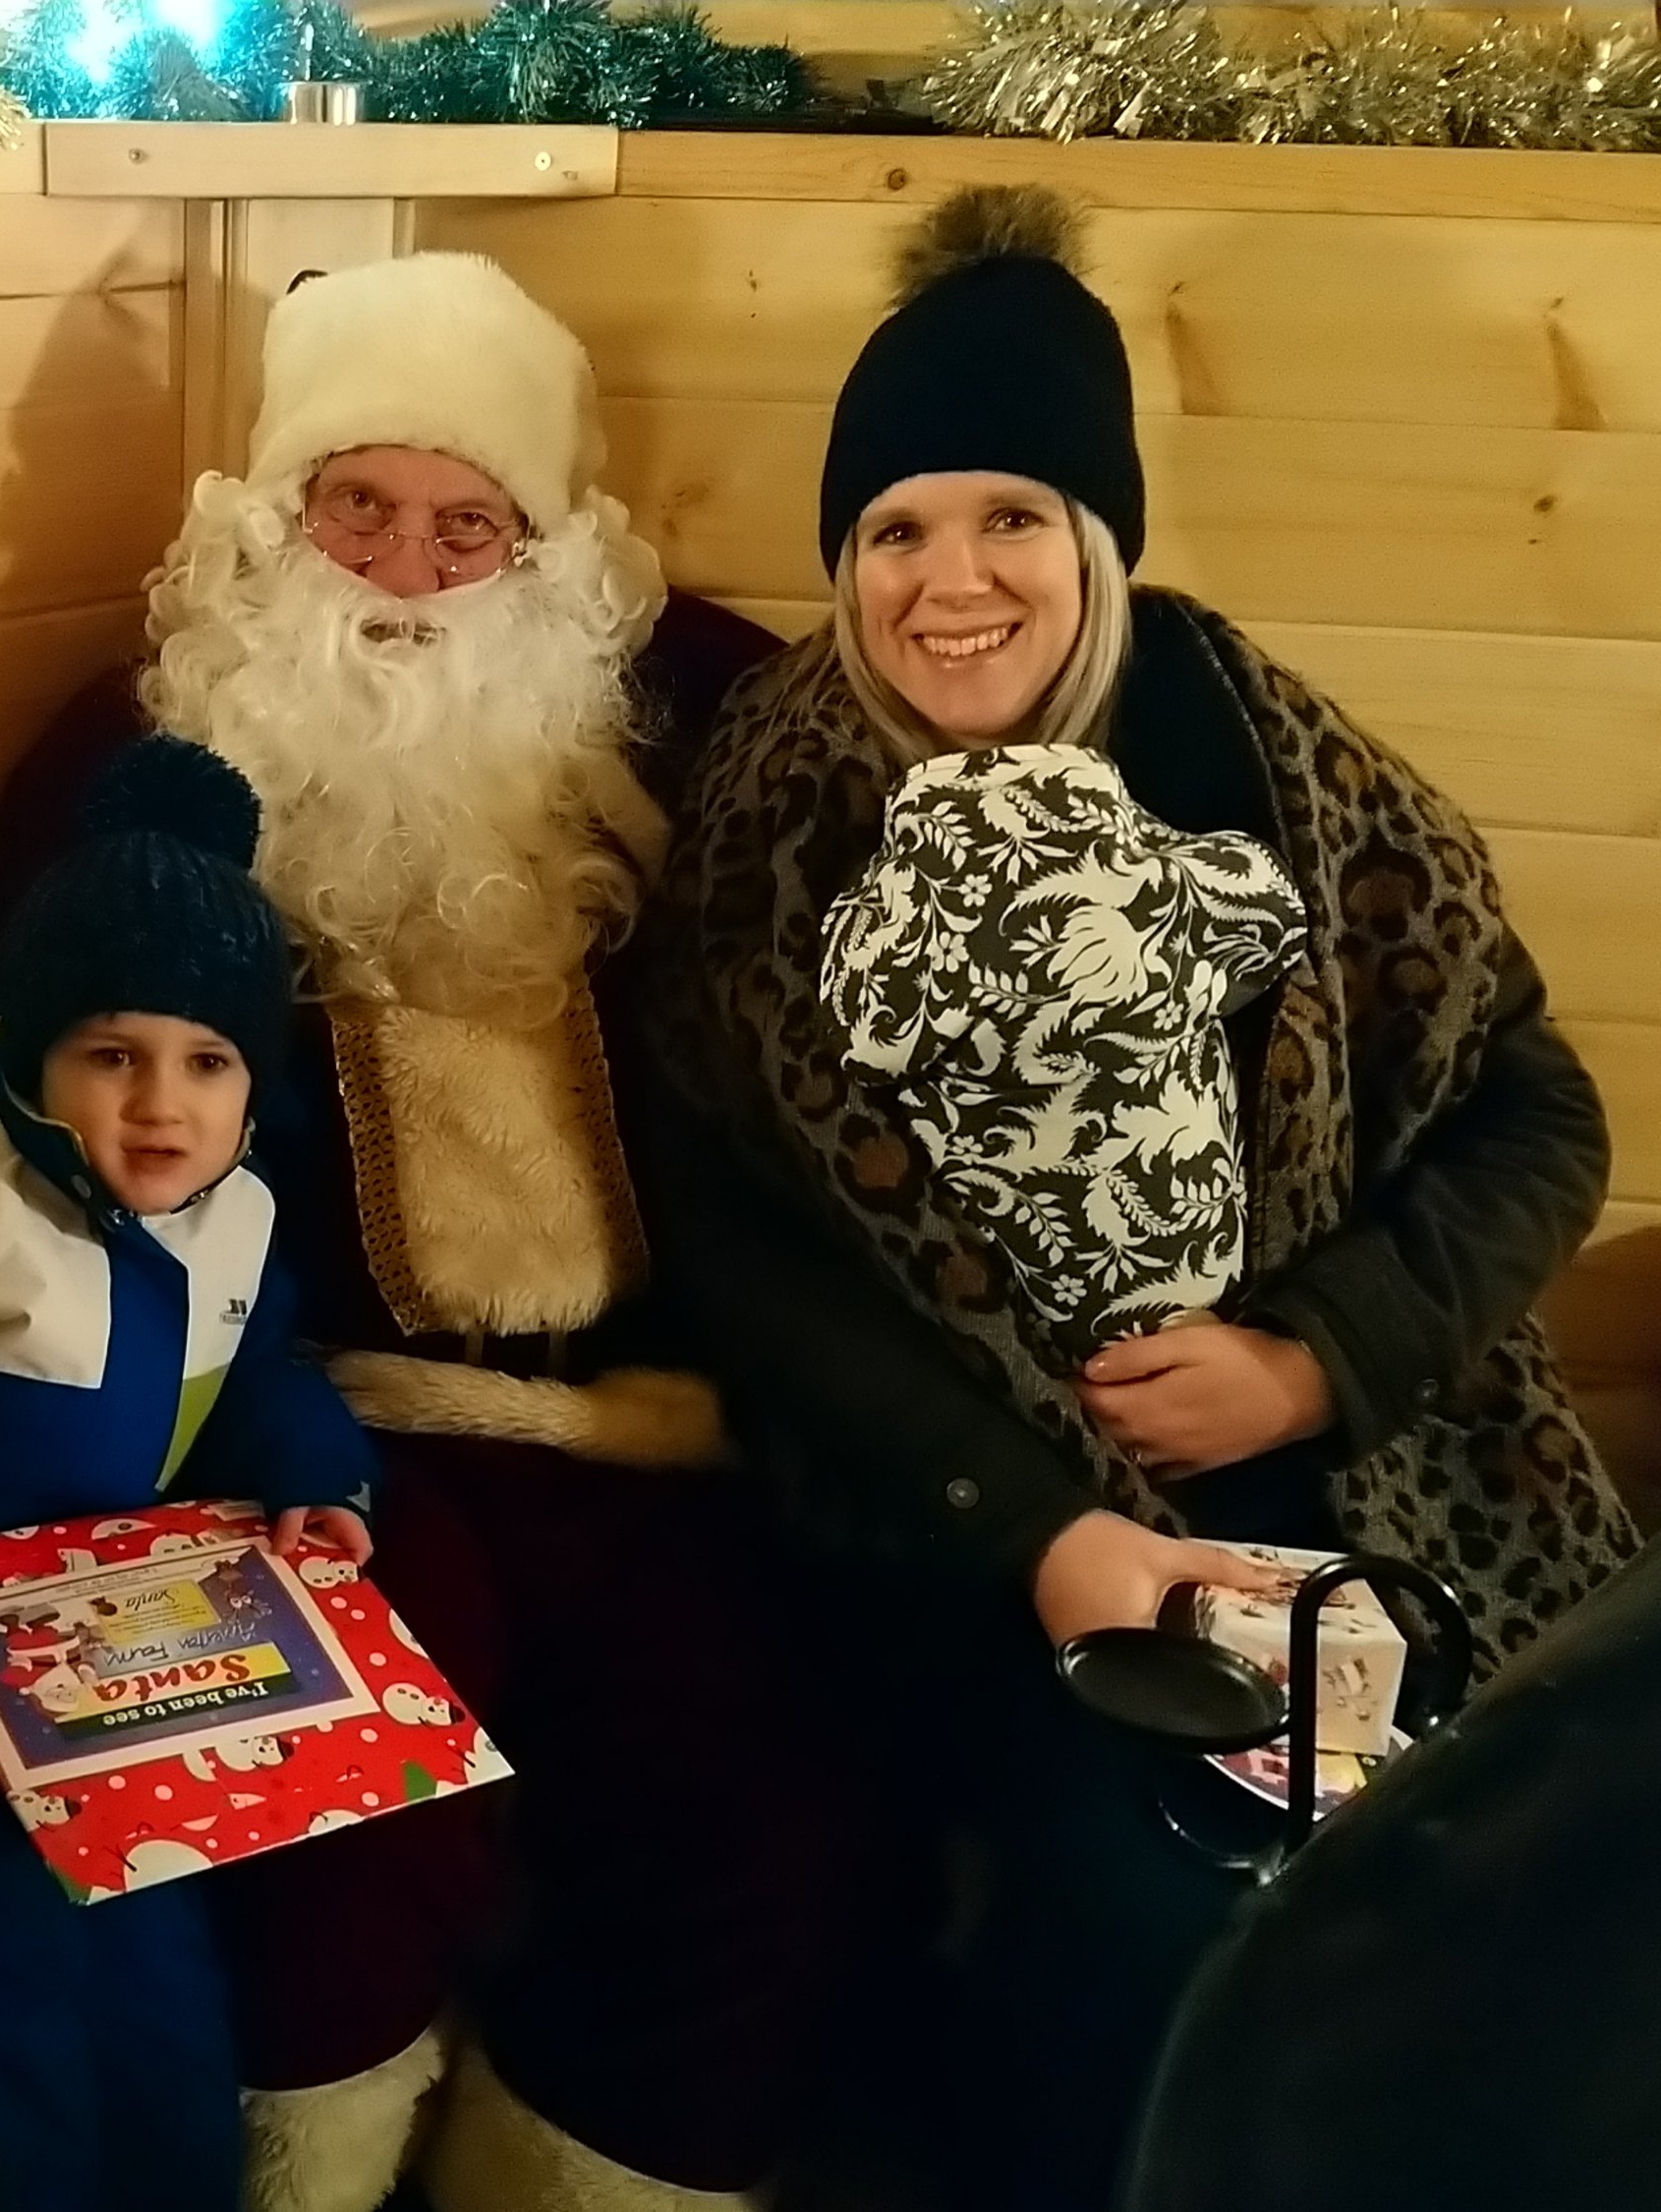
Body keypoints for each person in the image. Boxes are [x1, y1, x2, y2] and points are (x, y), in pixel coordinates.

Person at [632, 183, 1639, 2210]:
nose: (952, 582)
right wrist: (1042, 1531)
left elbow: (1535, 1120)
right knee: (1151, 1915)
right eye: (895, 531)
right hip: (976, 1512)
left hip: (1353, 1461)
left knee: (1561, 1852)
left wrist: (1315, 1357)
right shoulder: (769, 824)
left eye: (1010, 515)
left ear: (1096, 538)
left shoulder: (1280, 776)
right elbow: (741, 1254)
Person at [0, 252, 849, 2212]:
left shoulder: (695, 719)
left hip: (647, 1423)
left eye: (467, 523)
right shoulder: (126, 758)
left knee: (754, 1803)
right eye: (359, 506)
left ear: (547, 551)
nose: (412, 570)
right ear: (275, 519)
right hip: (301, 1425)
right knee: (339, 1827)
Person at [0, 736, 376, 2212]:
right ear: (33, 1053)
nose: (161, 1105)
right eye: (112, 1055)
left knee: (162, 1980)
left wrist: (321, 1480)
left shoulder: (239, 1208)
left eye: (208, 1061)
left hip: (120, 1668)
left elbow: (260, 1373)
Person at [821, 738, 1309, 1366]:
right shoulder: (1166, 871)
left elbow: (867, 1040)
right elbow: (1278, 919)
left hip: (1021, 1330)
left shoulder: (918, 892)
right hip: (1188, 1294)